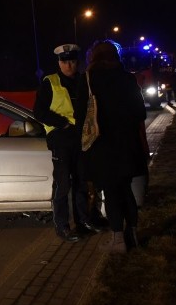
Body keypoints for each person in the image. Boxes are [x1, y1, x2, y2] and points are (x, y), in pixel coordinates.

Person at [74, 40, 148, 253]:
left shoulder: (88, 80)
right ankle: (132, 235)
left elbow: (81, 117)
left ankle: (118, 240)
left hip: (102, 147)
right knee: (126, 190)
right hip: (128, 145)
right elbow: (140, 113)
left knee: (112, 192)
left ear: (94, 58)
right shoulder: (127, 78)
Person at [33, 43, 103, 243]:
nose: (69, 66)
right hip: (61, 140)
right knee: (63, 185)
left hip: (81, 139)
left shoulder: (83, 80)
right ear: (59, 63)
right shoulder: (50, 82)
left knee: (82, 182)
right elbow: (39, 112)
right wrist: (62, 123)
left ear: (77, 62)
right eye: (65, 62)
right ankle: (62, 226)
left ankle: (83, 221)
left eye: (72, 61)